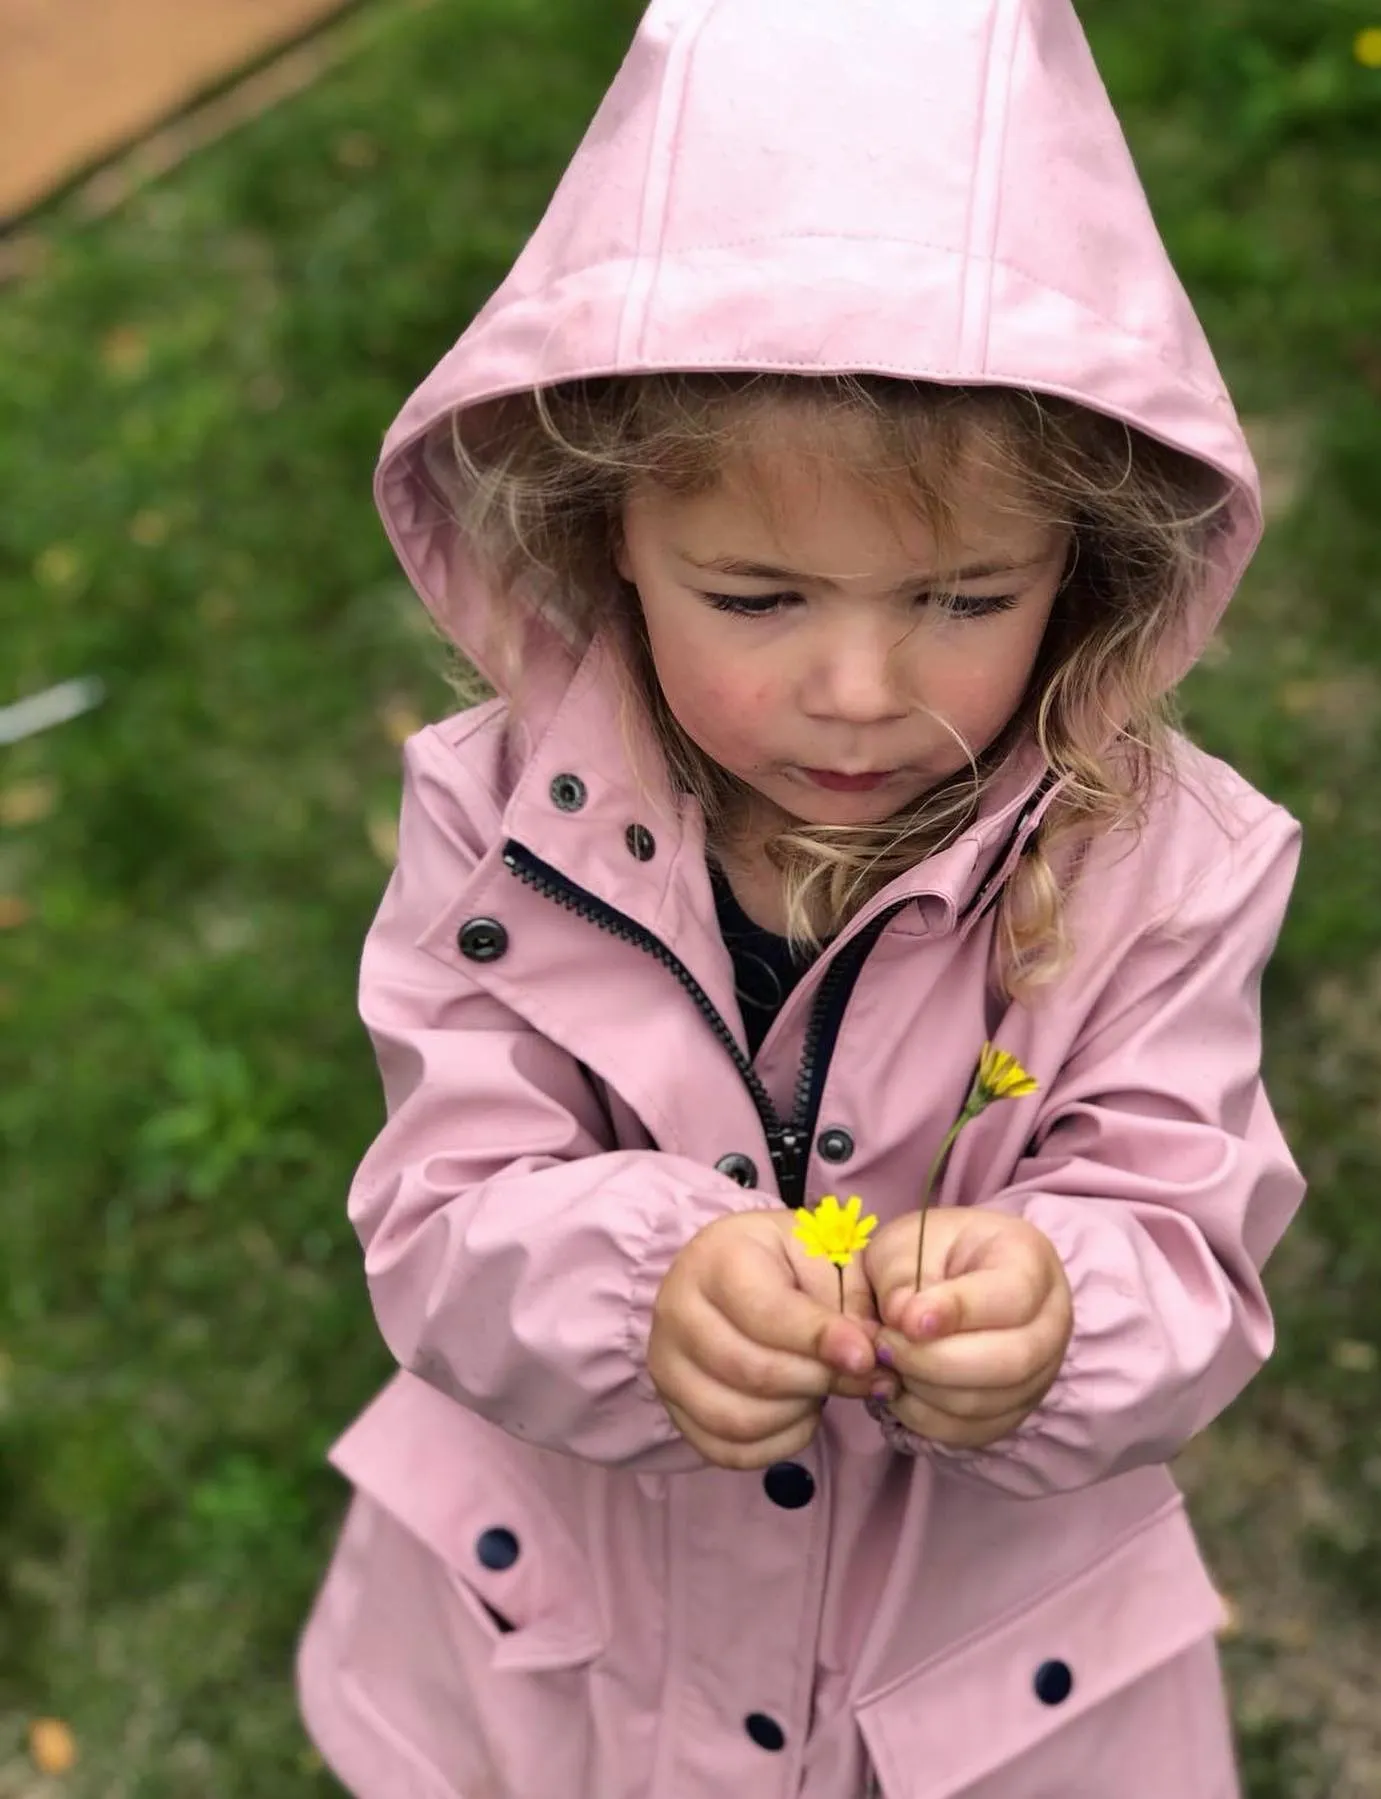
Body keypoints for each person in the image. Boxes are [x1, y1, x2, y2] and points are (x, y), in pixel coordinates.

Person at [295, 2, 1304, 1795]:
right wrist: (635, 1287)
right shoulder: (490, 821)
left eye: (964, 597)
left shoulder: (1164, 866)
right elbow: (440, 1212)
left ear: (1090, 557)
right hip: (581, 1665)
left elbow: (1188, 1238)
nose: (855, 689)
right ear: (607, 526)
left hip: (969, 1698)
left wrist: (1060, 1312)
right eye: (756, 598)